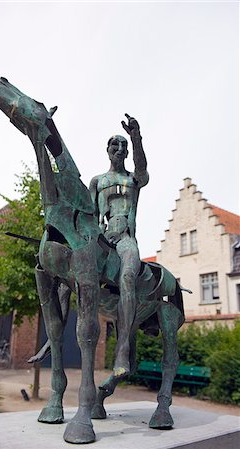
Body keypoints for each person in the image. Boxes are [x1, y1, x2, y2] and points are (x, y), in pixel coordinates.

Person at [89, 114, 149, 377]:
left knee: (127, 277)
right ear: (107, 150)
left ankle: (123, 348)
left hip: (125, 238)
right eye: (116, 146)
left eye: (123, 148)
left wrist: (136, 137)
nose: (120, 150)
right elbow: (90, 216)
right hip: (103, 239)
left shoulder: (133, 180)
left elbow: (142, 169)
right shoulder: (97, 181)